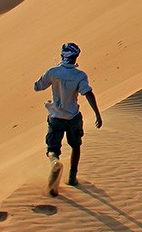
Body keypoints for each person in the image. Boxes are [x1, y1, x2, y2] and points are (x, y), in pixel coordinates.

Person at [33, 41, 102, 195]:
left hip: (56, 116)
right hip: (73, 118)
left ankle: (55, 162)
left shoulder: (53, 72)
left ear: (62, 55)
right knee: (76, 146)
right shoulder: (80, 75)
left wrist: (50, 79)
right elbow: (88, 93)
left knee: (52, 149)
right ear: (76, 57)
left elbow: (37, 87)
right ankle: (72, 177)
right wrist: (97, 114)